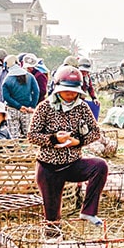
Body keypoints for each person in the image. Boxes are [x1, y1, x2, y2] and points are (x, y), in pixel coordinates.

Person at [27, 65, 108, 226]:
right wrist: (54, 139)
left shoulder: (82, 107)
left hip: (72, 164)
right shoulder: (44, 107)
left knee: (100, 166)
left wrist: (79, 141)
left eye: (74, 91)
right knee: (52, 217)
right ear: (57, 88)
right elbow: (32, 136)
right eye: (66, 91)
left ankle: (88, 211)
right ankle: (52, 242)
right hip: (48, 167)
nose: (70, 95)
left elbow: (95, 132)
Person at [2, 58, 39, 139]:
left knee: (14, 137)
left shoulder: (7, 79)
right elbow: (36, 92)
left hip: (12, 110)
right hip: (27, 109)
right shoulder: (30, 76)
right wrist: (32, 106)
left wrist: (18, 106)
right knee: (29, 135)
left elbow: (6, 97)